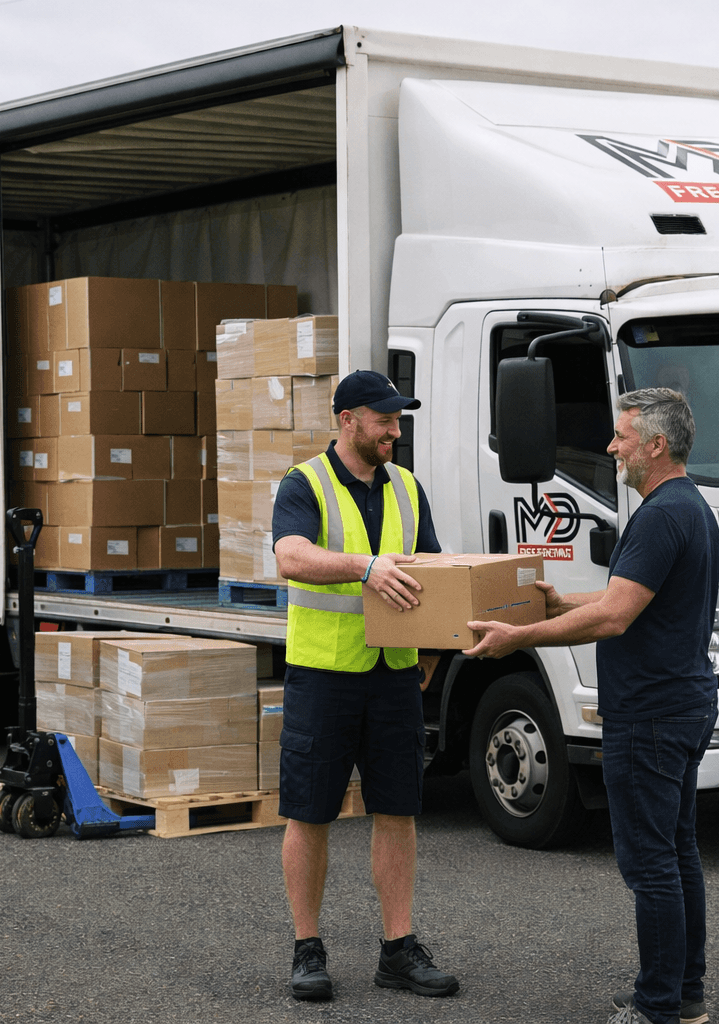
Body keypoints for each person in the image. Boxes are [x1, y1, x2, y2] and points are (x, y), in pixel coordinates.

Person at [465, 388, 719, 1024]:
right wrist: (561, 604)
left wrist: (519, 636)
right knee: (677, 853)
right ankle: (684, 993)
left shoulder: (660, 516)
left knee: (650, 865)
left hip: (650, 714)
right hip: (684, 704)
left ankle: (657, 1006)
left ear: (655, 445)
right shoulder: (690, 506)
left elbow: (615, 616)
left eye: (622, 437)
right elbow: (625, 598)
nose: (611, 448)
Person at [271, 368, 461, 1002]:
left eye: (397, 420)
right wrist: (366, 567)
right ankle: (307, 948)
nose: (394, 431)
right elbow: (290, 556)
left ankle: (398, 950)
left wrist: (431, 648)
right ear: (347, 420)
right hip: (323, 675)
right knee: (309, 813)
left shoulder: (406, 487)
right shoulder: (305, 483)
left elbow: (431, 569)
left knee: (398, 811)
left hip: (394, 677)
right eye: (383, 420)